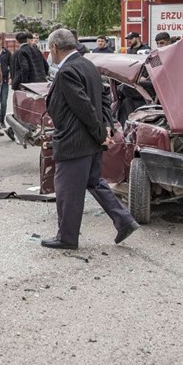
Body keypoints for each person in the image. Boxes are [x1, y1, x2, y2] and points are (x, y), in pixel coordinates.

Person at [41, 28, 139, 249]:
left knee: (67, 190)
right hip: (91, 140)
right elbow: (104, 98)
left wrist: (101, 133)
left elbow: (83, 107)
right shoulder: (88, 65)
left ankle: (66, 238)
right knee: (94, 182)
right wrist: (105, 127)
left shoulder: (67, 71)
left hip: (76, 142)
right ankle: (124, 221)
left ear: (55, 48)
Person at [0, 36, 11, 133]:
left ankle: (1, 120)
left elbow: (11, 65)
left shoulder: (7, 53)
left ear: (1, 41)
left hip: (4, 81)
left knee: (3, 102)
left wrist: (11, 77)